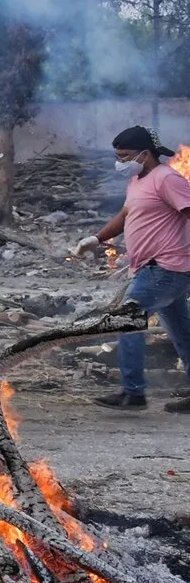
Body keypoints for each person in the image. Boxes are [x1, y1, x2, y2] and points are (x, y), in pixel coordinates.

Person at [73, 125, 190, 413]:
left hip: (164, 267)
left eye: (124, 156)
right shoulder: (138, 180)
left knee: (127, 321)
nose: (120, 162)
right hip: (153, 268)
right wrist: (96, 238)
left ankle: (133, 392)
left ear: (145, 153)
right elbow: (126, 215)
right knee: (182, 332)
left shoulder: (167, 179)